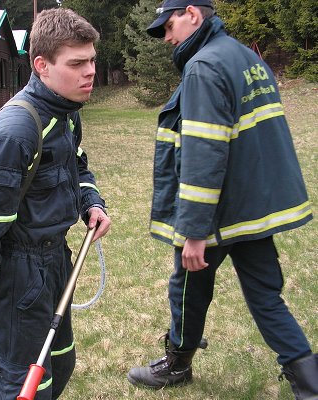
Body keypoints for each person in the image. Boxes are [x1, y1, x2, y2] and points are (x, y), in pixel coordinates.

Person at [126, 1, 317, 399]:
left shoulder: (203, 67)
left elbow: (203, 152)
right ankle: (310, 382)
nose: (166, 37)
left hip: (220, 213)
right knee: (265, 295)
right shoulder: (246, 57)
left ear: (193, 14)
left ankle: (177, 366)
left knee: (187, 285)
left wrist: (194, 232)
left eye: (169, 24)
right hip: (252, 207)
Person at [0, 8, 111, 399]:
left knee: (60, 362)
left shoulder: (66, 113)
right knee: (23, 385)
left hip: (56, 261)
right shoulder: (17, 131)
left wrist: (90, 201)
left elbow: (76, 164)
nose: (90, 71)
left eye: (91, 60)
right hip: (20, 274)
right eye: (77, 63)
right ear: (41, 65)